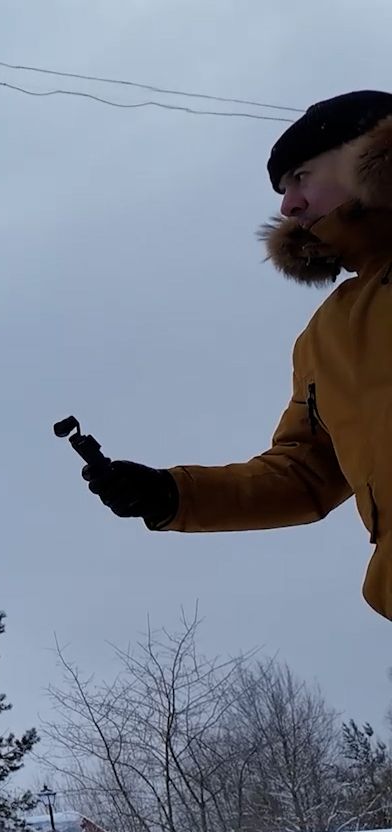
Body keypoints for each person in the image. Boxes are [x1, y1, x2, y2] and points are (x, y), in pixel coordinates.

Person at [82, 91, 392, 621]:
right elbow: (305, 472)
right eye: (283, 190)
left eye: (301, 177)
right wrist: (172, 494)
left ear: (370, 154)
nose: (288, 206)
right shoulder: (327, 334)